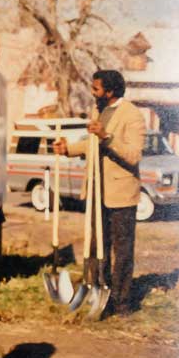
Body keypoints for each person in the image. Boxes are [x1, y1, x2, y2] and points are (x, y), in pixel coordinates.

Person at [53, 70, 145, 317]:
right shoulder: (98, 110)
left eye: (96, 89)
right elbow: (91, 143)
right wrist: (68, 149)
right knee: (95, 247)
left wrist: (107, 137)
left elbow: (133, 154)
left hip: (121, 193)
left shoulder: (132, 115)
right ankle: (98, 296)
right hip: (96, 191)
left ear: (110, 91)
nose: (92, 93)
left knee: (122, 250)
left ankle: (122, 302)